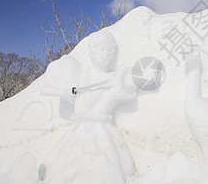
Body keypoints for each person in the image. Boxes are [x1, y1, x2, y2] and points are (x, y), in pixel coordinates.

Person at [38, 31, 137, 183]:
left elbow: (130, 88)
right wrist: (67, 92)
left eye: (110, 51)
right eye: (102, 49)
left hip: (103, 129)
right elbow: (47, 88)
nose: (106, 55)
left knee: (107, 165)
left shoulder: (113, 77)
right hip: (79, 130)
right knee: (68, 163)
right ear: (92, 51)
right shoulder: (82, 74)